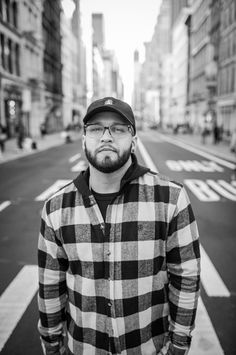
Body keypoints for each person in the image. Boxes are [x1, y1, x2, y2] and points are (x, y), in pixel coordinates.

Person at [38, 97, 201, 355]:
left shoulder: (170, 199)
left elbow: (186, 278)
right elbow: (50, 286)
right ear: (83, 139)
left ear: (134, 140)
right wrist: (52, 347)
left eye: (118, 128)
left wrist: (177, 348)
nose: (106, 136)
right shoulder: (56, 208)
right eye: (95, 128)